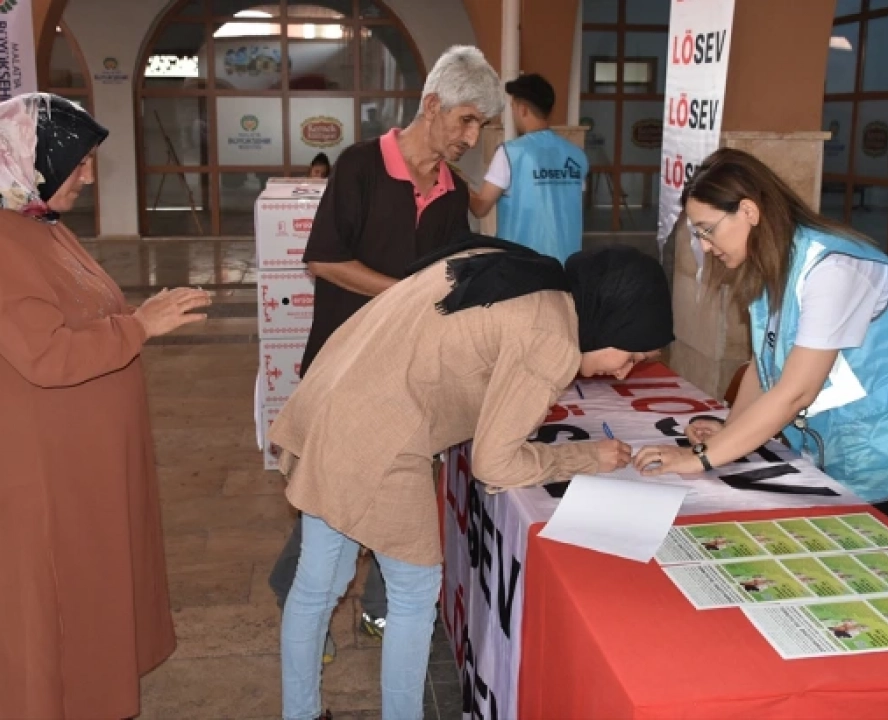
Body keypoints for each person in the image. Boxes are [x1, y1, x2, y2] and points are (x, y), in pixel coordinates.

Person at [272, 238, 675, 720]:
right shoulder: (555, 338)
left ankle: (301, 713)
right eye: (629, 356)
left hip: (333, 398)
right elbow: (495, 464)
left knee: (319, 582)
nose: (623, 373)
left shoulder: (533, 277)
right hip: (378, 431)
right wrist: (585, 457)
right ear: (615, 320)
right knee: (414, 591)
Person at [0, 93, 210, 719]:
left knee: (89, 605)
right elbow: (43, 356)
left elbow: (87, 311)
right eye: (80, 161)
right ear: (26, 159)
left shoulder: (33, 221)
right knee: (55, 612)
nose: (89, 175)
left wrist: (133, 317)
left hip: (75, 467)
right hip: (37, 475)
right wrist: (140, 328)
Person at [267, 44, 502, 661]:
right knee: (331, 494)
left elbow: (454, 275)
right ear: (432, 105)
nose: (471, 138)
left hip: (407, 378)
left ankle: (375, 606)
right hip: (343, 366)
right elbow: (323, 258)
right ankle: (302, 604)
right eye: (466, 120)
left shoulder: (451, 191)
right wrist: (405, 295)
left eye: (481, 126)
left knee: (390, 496)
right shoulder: (361, 165)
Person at [635, 148, 888, 538]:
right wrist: (729, 430)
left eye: (707, 230)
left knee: (879, 567)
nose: (705, 246)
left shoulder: (833, 269)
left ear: (748, 211)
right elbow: (763, 365)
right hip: (836, 444)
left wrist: (699, 458)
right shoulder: (770, 263)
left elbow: (795, 392)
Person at [467, 73, 588, 264]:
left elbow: (480, 208)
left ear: (522, 109)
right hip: (567, 267)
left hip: (521, 269)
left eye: (513, 107)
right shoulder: (576, 156)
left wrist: (456, 179)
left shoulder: (510, 154)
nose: (513, 113)